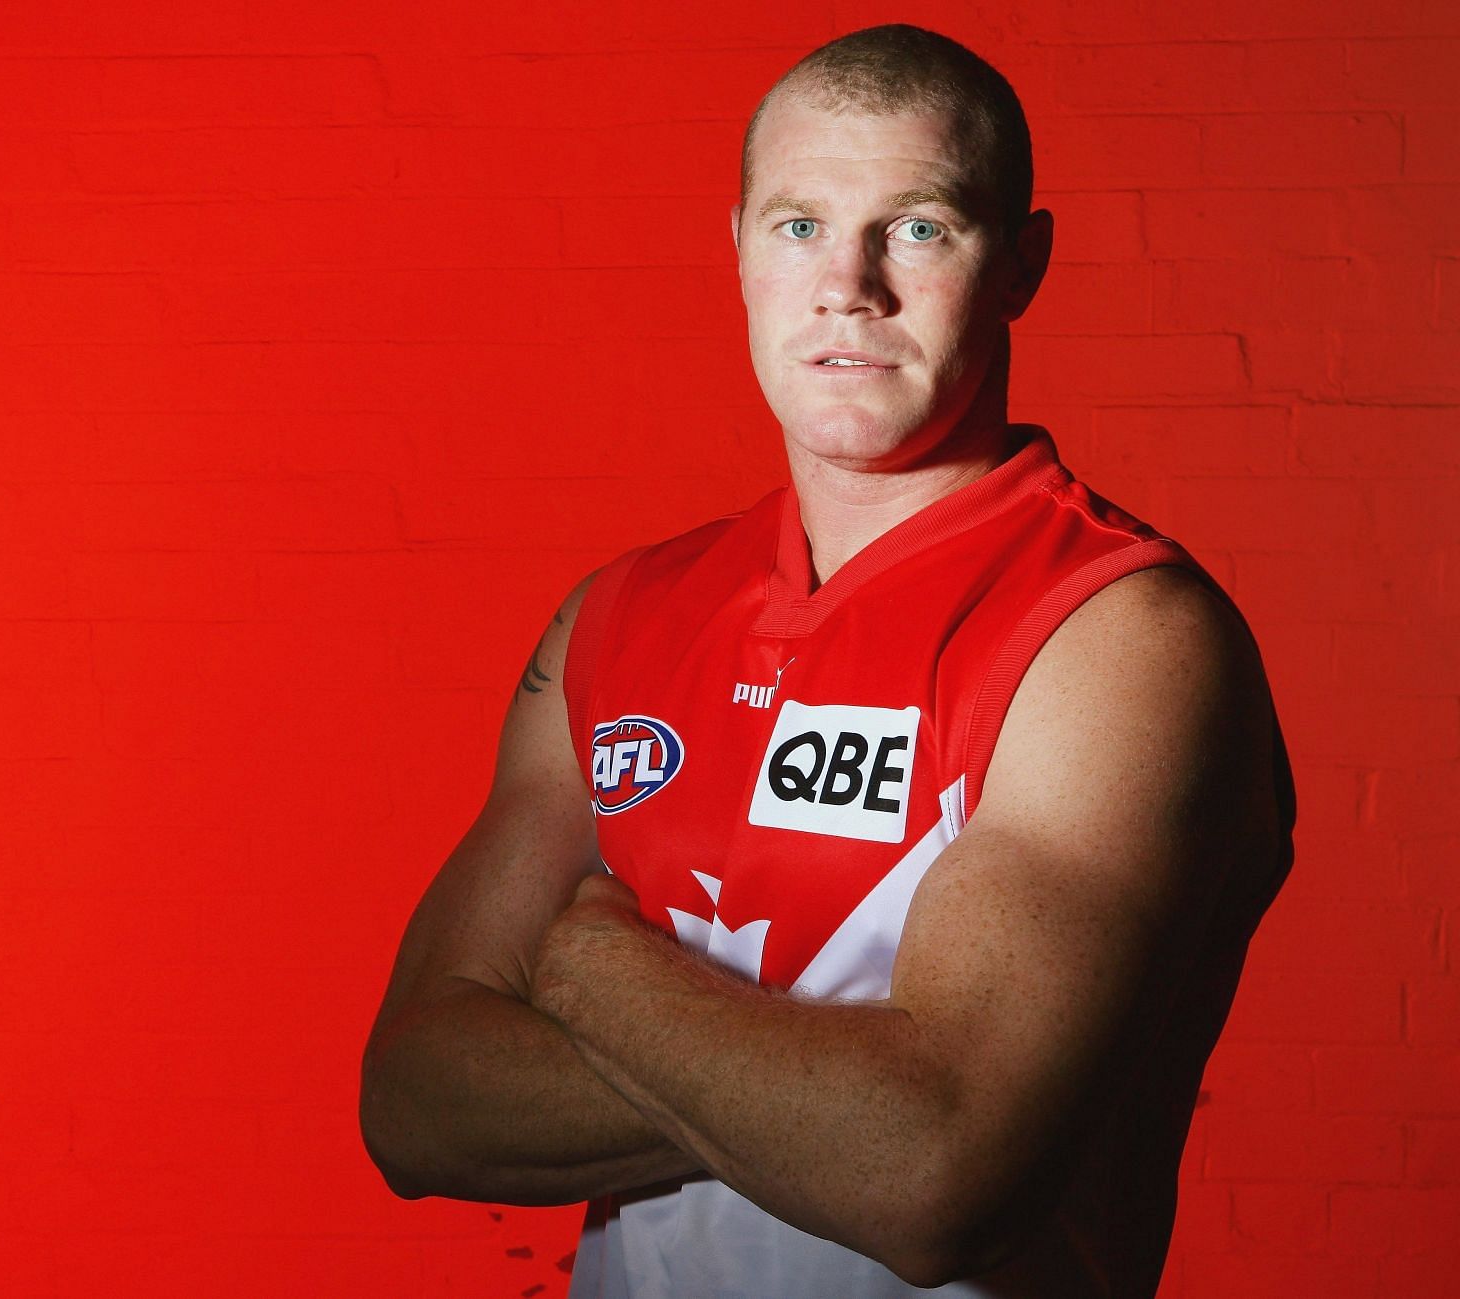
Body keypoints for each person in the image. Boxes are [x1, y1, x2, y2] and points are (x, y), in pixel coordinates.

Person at [358, 23, 1294, 1298]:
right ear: (738, 248)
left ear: (1021, 265)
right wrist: (817, 1103)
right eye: (798, 225)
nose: (845, 284)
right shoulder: (617, 614)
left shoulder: (1113, 635)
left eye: (918, 227)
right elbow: (414, 1101)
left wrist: (590, 966)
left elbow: (932, 1173)